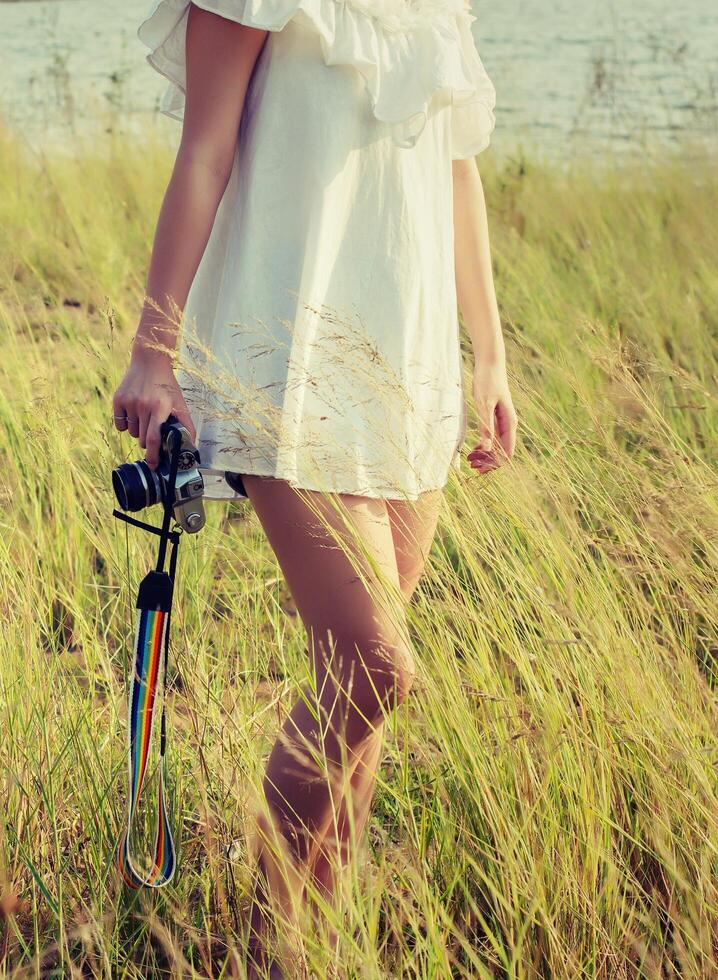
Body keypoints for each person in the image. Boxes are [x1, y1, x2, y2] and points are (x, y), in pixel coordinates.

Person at [111, 0, 516, 972]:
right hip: (283, 356)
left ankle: (313, 945)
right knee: (377, 665)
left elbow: (456, 172)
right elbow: (201, 155)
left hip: (407, 364)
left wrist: (490, 357)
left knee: (355, 692)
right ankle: (272, 949)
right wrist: (151, 357)